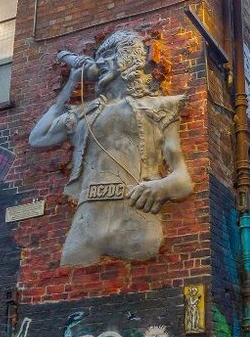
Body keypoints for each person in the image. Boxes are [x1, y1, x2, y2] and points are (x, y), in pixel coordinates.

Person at [29, 30, 193, 266]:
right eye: (97, 57)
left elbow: (183, 180)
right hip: (86, 227)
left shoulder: (159, 108)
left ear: (127, 59)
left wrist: (163, 186)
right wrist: (71, 83)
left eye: (107, 56)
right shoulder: (84, 114)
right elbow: (37, 138)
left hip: (137, 221)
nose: (98, 63)